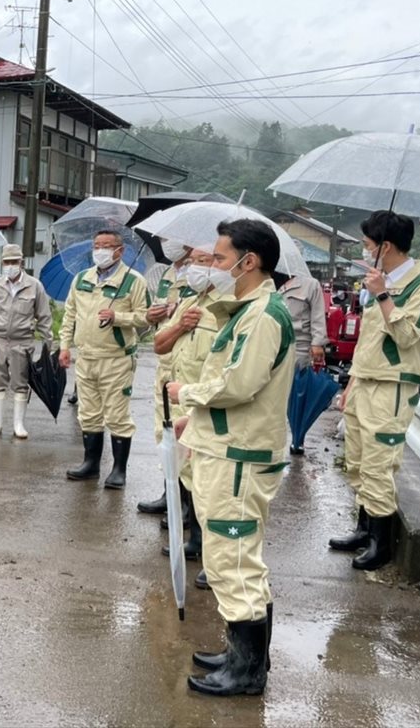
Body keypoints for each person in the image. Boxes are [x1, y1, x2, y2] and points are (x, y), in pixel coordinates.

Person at [167, 218, 295, 697]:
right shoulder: (247, 310)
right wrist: (194, 420)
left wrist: (188, 392)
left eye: (220, 259)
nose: (214, 267)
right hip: (227, 445)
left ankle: (246, 673)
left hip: (239, 456)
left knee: (232, 559)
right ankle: (243, 654)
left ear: (249, 262)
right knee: (235, 557)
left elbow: (239, 385)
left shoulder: (262, 315)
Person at [330, 211, 420, 571]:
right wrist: (351, 383)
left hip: (393, 387)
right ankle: (364, 528)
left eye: (367, 244)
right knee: (359, 460)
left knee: (380, 464)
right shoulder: (377, 283)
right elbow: (368, 339)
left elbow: (408, 335)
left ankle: (381, 543)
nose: (364, 250)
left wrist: (382, 295)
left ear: (386, 247)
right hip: (365, 380)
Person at [153, 248, 224, 590]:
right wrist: (180, 324)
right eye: (193, 260)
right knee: (187, 475)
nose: (196, 267)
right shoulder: (188, 300)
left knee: (210, 484)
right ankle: (196, 542)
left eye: (207, 260)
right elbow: (159, 344)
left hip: (207, 404)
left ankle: (216, 557)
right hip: (180, 401)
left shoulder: (229, 308)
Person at [60, 230, 151, 489]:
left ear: (119, 251)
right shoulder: (81, 279)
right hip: (86, 357)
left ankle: (119, 470)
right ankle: (90, 464)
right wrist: (64, 346)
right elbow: (70, 315)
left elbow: (146, 317)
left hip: (116, 359)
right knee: (88, 413)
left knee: (117, 415)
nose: (100, 250)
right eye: (96, 245)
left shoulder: (133, 281)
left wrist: (118, 317)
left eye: (106, 246)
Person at [137, 239, 192, 513]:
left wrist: (176, 313)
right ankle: (169, 493)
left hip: (187, 362)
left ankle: (186, 503)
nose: (170, 244)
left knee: (186, 434)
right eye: (166, 239)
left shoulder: (199, 274)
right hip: (164, 359)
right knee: (164, 430)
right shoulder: (166, 274)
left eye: (176, 239)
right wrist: (152, 314)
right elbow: (154, 315)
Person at [0, 244, 52, 440]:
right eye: (6, 262)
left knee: (21, 382)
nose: (10, 266)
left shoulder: (34, 286)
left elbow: (44, 316)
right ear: (2, 263)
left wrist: (48, 345)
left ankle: (18, 424)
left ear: (21, 262)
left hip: (22, 340)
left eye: (14, 262)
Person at [278, 273, 329, 455]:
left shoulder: (309, 285)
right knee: (276, 394)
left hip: (300, 345)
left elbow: (317, 314)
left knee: (298, 393)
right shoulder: (270, 280)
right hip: (275, 342)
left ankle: (298, 436)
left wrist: (317, 343)